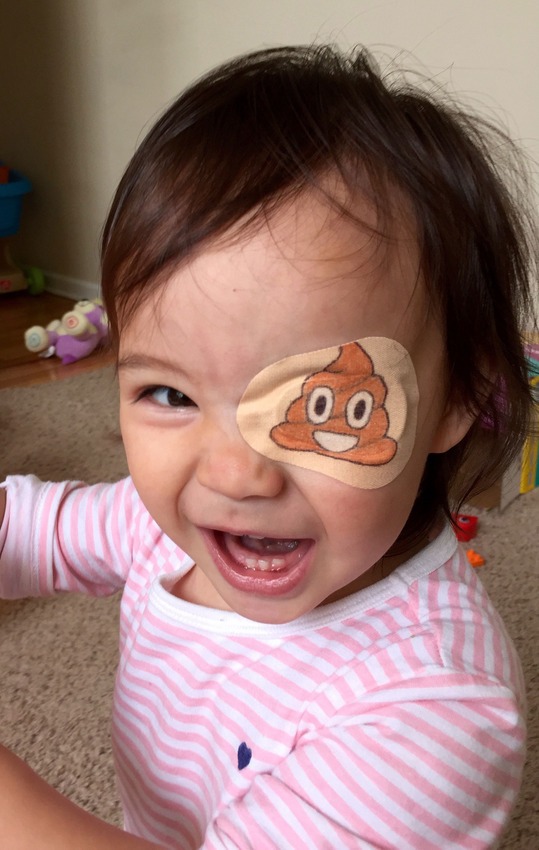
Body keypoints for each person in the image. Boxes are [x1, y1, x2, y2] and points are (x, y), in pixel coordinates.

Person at [0, 44, 537, 850]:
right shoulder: (164, 521)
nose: (233, 475)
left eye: (322, 408)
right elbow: (29, 529)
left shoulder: (433, 709)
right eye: (171, 395)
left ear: (457, 397)